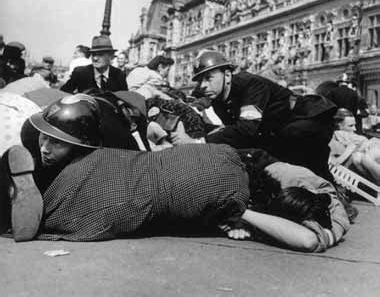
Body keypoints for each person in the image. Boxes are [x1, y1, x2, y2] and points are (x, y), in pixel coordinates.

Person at [0, 95, 344, 252]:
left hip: (125, 167)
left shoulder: (230, 167)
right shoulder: (239, 200)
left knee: (84, 176)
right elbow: (309, 240)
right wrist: (243, 216)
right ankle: (38, 212)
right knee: (88, 206)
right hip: (124, 202)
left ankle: (30, 200)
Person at [171, 50, 337, 181]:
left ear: (227, 75)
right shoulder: (218, 97)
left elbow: (246, 130)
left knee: (291, 139)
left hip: (310, 118)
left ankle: (332, 191)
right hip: (280, 127)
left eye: (209, 78)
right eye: (200, 81)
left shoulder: (250, 85)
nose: (204, 86)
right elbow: (236, 132)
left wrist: (199, 142)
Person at [329, 108, 380, 185]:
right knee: (358, 158)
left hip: (374, 147)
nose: (355, 129)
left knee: (360, 157)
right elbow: (334, 162)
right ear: (339, 126)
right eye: (350, 126)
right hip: (369, 154)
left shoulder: (346, 136)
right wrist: (349, 149)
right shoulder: (335, 138)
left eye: (354, 125)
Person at [61, 35, 128, 93]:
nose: (95, 58)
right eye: (93, 54)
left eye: (100, 55)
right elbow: (63, 93)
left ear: (110, 56)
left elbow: (125, 100)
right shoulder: (80, 73)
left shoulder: (119, 75)